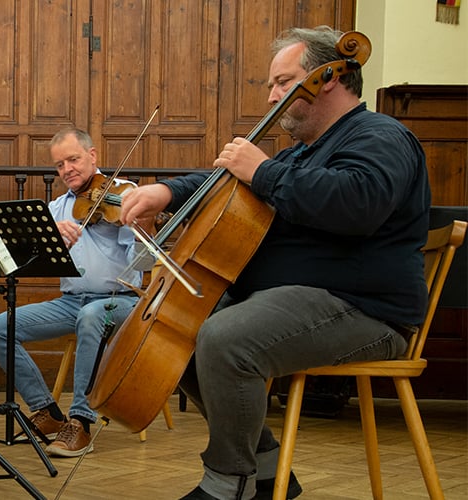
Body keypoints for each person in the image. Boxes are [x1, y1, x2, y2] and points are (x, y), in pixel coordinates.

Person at [119, 26, 430, 500]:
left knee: (226, 338)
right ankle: (263, 471)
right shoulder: (307, 152)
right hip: (302, 302)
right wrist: (167, 190)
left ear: (327, 79)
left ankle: (230, 483)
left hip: (366, 311)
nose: (271, 98)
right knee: (176, 335)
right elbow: (226, 182)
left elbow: (358, 204)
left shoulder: (381, 135)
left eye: (282, 82)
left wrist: (262, 169)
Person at [0, 128, 142, 458]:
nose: (67, 169)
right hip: (71, 302)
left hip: (121, 301)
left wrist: (139, 227)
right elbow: (23, 255)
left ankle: (81, 421)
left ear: (92, 156)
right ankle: (49, 414)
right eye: (59, 165)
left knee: (91, 315)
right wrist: (49, 236)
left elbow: (142, 265)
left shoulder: (125, 195)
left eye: (73, 159)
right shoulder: (56, 209)